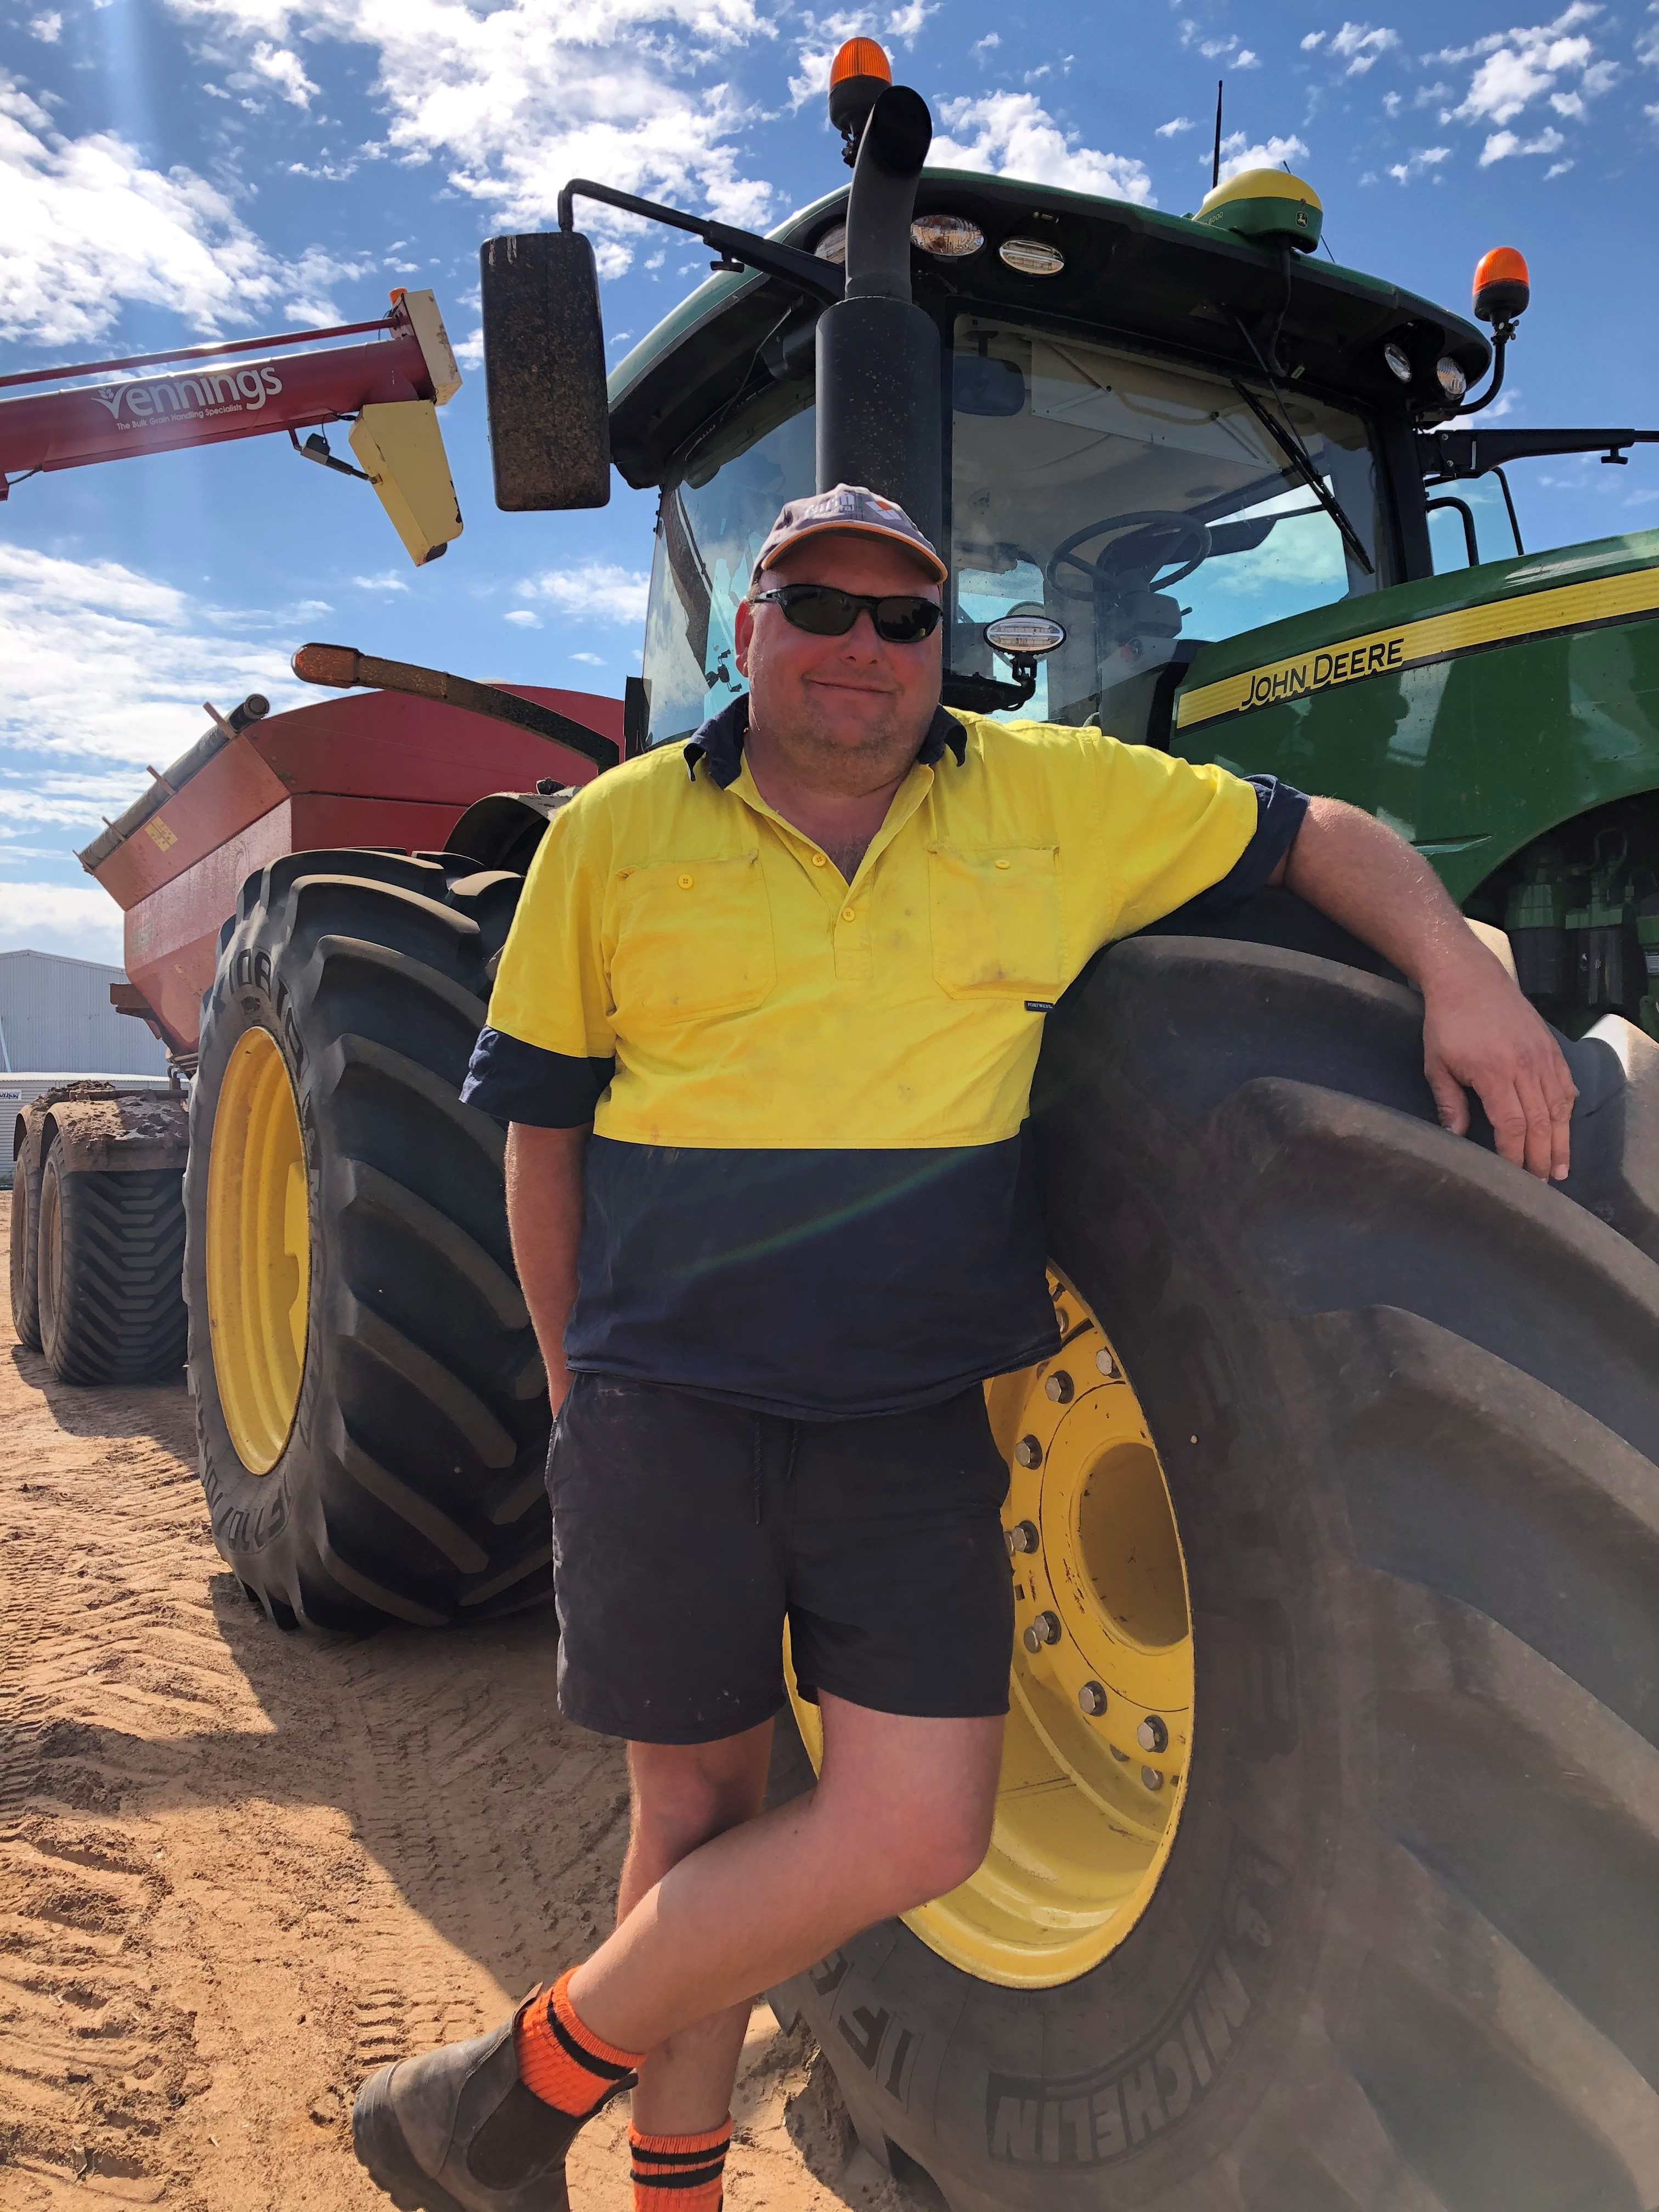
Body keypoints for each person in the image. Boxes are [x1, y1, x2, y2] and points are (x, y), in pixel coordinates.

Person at [351, 484, 1577, 2212]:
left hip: (910, 1428)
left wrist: (1464, 976)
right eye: (821, 607)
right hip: (667, 1418)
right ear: (751, 626)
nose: (864, 649)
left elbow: (1330, 840)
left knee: (919, 1830)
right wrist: (573, 1396)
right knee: (693, 1824)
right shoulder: (610, 836)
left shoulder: (1055, 800)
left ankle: (499, 2097)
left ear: (945, 651)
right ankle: (667, 2195)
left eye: (903, 618)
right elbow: (542, 1139)